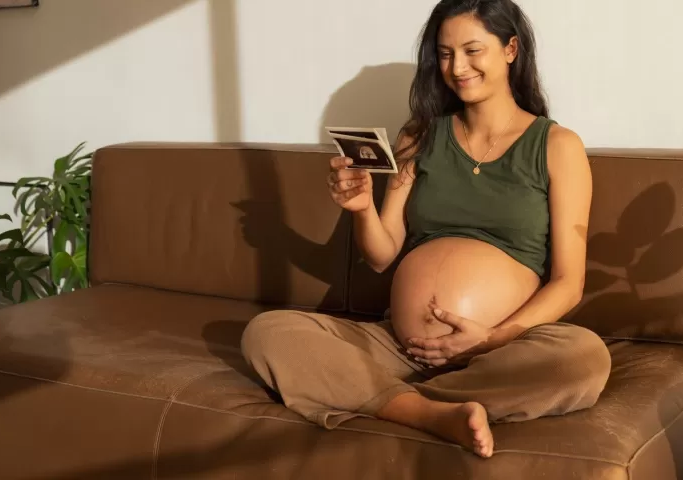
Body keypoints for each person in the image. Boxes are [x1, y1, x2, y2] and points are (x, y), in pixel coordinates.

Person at [241, 0, 610, 459]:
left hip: (500, 350)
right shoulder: (418, 136)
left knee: (583, 358)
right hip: (401, 347)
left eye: (473, 50)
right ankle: (429, 413)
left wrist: (492, 339)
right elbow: (381, 255)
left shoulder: (557, 146)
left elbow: (568, 283)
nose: (458, 68)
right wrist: (361, 209)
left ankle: (384, 397)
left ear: (511, 49)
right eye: (446, 53)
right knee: (267, 333)